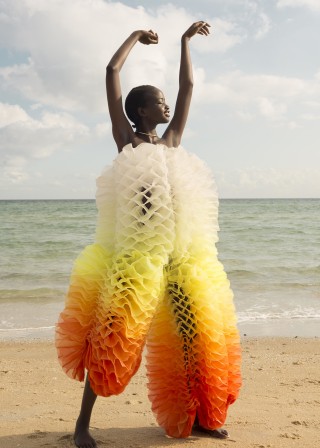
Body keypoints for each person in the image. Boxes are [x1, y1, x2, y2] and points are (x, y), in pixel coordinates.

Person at [55, 21, 241, 448]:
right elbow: (111, 74)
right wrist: (136, 38)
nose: (167, 107)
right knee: (112, 341)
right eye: (159, 102)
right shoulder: (127, 142)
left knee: (194, 336)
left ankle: (199, 418)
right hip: (135, 262)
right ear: (141, 111)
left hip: (178, 259)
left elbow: (188, 88)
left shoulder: (172, 142)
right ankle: (82, 425)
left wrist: (184, 43)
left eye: (165, 101)